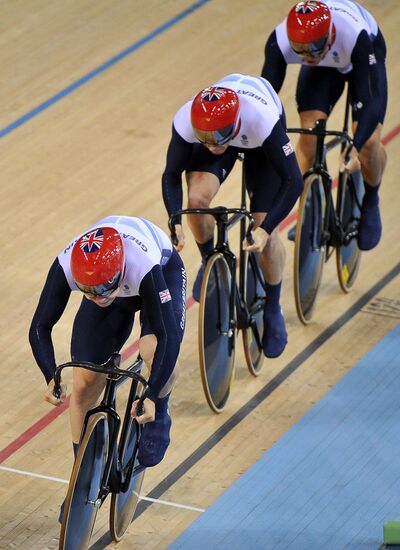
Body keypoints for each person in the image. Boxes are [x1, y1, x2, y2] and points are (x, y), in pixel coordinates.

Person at [29, 215, 187, 481]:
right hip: (116, 285)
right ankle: (82, 481)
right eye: (86, 291)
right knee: (84, 382)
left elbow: (169, 336)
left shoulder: (143, 266)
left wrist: (152, 395)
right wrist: (50, 376)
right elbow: (39, 328)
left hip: (162, 272)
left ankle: (160, 409)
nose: (94, 297)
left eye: (101, 290)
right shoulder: (68, 265)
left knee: (152, 349)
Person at [162, 73, 303, 358]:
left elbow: (294, 181)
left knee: (265, 225)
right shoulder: (188, 120)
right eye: (207, 141)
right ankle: (208, 260)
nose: (214, 146)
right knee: (196, 200)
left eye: (219, 139)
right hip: (225, 129)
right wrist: (175, 219)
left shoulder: (262, 120)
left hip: (260, 146)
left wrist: (265, 230)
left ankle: (273, 306)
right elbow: (171, 174)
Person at [261, 0, 387, 251]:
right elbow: (265, 98)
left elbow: (370, 100)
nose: (306, 56)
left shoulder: (355, 34)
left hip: (362, 57)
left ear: (330, 35)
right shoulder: (281, 39)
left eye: (312, 50)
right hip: (324, 67)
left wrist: (356, 144)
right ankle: (313, 208)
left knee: (368, 142)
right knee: (308, 133)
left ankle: (371, 201)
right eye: (301, 51)